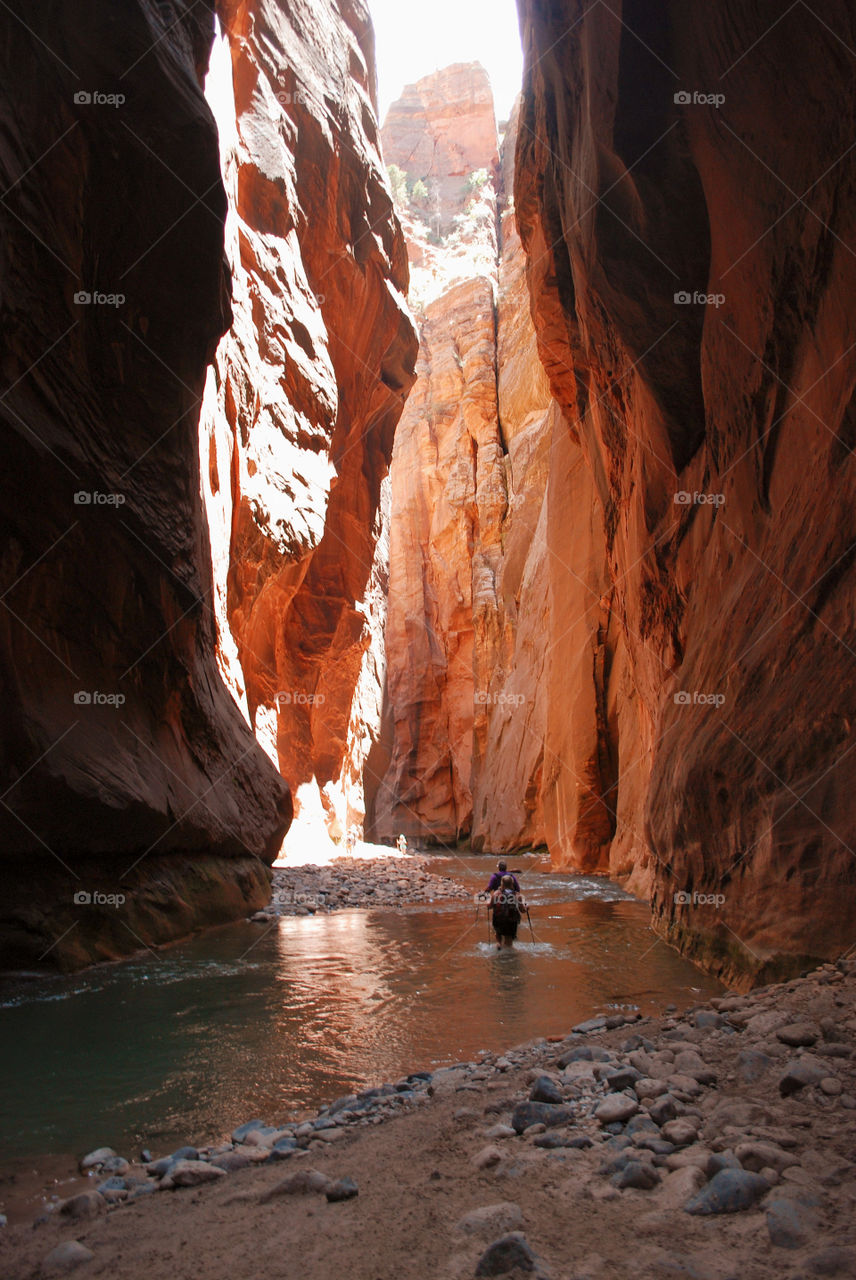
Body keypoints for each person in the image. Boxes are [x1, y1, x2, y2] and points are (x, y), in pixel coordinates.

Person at [489, 874, 527, 950]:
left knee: (498, 933)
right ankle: (508, 953)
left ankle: (499, 944)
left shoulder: (496, 894)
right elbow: (522, 910)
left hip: (498, 920)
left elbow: (490, 906)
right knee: (508, 940)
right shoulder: (517, 895)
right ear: (512, 884)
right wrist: (527, 908)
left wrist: (487, 903)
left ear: (502, 883)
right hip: (511, 921)